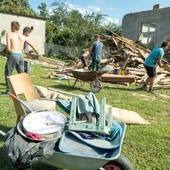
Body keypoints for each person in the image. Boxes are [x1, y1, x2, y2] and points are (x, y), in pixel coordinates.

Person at [3, 21, 39, 94]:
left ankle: (8, 90)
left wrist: (6, 52)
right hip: (21, 56)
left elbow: (8, 49)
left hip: (13, 55)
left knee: (8, 72)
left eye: (11, 26)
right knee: (22, 74)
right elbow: (32, 45)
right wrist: (38, 53)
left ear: (13, 27)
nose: (10, 28)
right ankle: (26, 89)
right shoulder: (23, 36)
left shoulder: (9, 35)